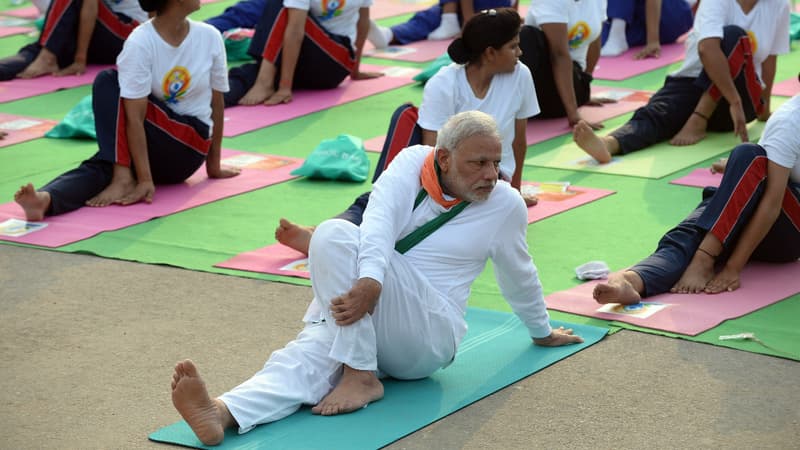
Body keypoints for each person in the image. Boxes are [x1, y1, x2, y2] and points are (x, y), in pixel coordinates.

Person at [170, 111, 583, 446]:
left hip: (427, 335)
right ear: (443, 158)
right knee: (309, 355)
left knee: (333, 236)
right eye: (478, 163)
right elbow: (379, 222)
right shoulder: (409, 163)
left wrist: (541, 329)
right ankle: (223, 412)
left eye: (496, 162)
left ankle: (361, 373)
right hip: (370, 320)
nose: (491, 174)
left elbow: (519, 272)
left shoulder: (505, 204)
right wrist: (370, 281)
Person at [276, 8, 540, 255]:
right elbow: (432, 152)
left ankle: (327, 240)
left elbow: (519, 142)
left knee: (428, 219)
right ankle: (326, 234)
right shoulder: (445, 83)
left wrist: (514, 195)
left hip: (488, 176)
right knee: (395, 193)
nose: (519, 52)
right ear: (490, 53)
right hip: (445, 169)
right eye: (513, 46)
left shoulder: (521, 76)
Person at [13, 0, 240, 221]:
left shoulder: (209, 36)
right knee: (106, 163)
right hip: (154, 145)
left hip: (188, 148)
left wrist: (213, 165)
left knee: (109, 83)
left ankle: (123, 175)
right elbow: (133, 118)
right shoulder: (141, 41)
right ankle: (47, 199)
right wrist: (143, 178)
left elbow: (216, 104)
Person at [593, 93, 800, 305]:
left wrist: (732, 268)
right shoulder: (790, 120)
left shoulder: (789, 123)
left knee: (749, 157)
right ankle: (634, 280)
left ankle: (704, 258)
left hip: (787, 232)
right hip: (758, 213)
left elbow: (771, 204)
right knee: (694, 231)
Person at [574, 0, 790, 163]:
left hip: (739, 106)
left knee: (733, 36)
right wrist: (732, 100)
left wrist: (763, 107)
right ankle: (609, 144)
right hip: (696, 83)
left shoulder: (778, 4)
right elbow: (707, 49)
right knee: (661, 111)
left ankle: (699, 118)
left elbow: (770, 59)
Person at [224, 0, 382, 106]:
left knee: (282, 4)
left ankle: (265, 81)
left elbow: (363, 21)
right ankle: (214, 97)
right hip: (306, 62)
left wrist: (285, 87)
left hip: (335, 63)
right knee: (246, 76)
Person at [518, 0, 609, 131]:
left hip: (563, 94)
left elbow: (595, 43)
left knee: (526, 35)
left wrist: (585, 88)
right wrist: (574, 113)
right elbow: (559, 55)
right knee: (526, 36)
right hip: (540, 90)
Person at [0, 0, 147, 81]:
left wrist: (79, 59)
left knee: (49, 50)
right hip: (94, 35)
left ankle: (48, 56)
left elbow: (90, 6)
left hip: (126, 34)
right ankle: (46, 55)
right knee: (34, 55)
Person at [366, 0, 514, 48]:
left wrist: (469, 23)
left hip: (479, 13)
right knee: (429, 17)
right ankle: (389, 34)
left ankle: (389, 35)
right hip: (478, 12)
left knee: (429, 18)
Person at [600, 0, 695, 58]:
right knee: (596, 42)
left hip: (672, 15)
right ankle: (617, 34)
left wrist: (653, 41)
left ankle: (616, 33)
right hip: (638, 18)